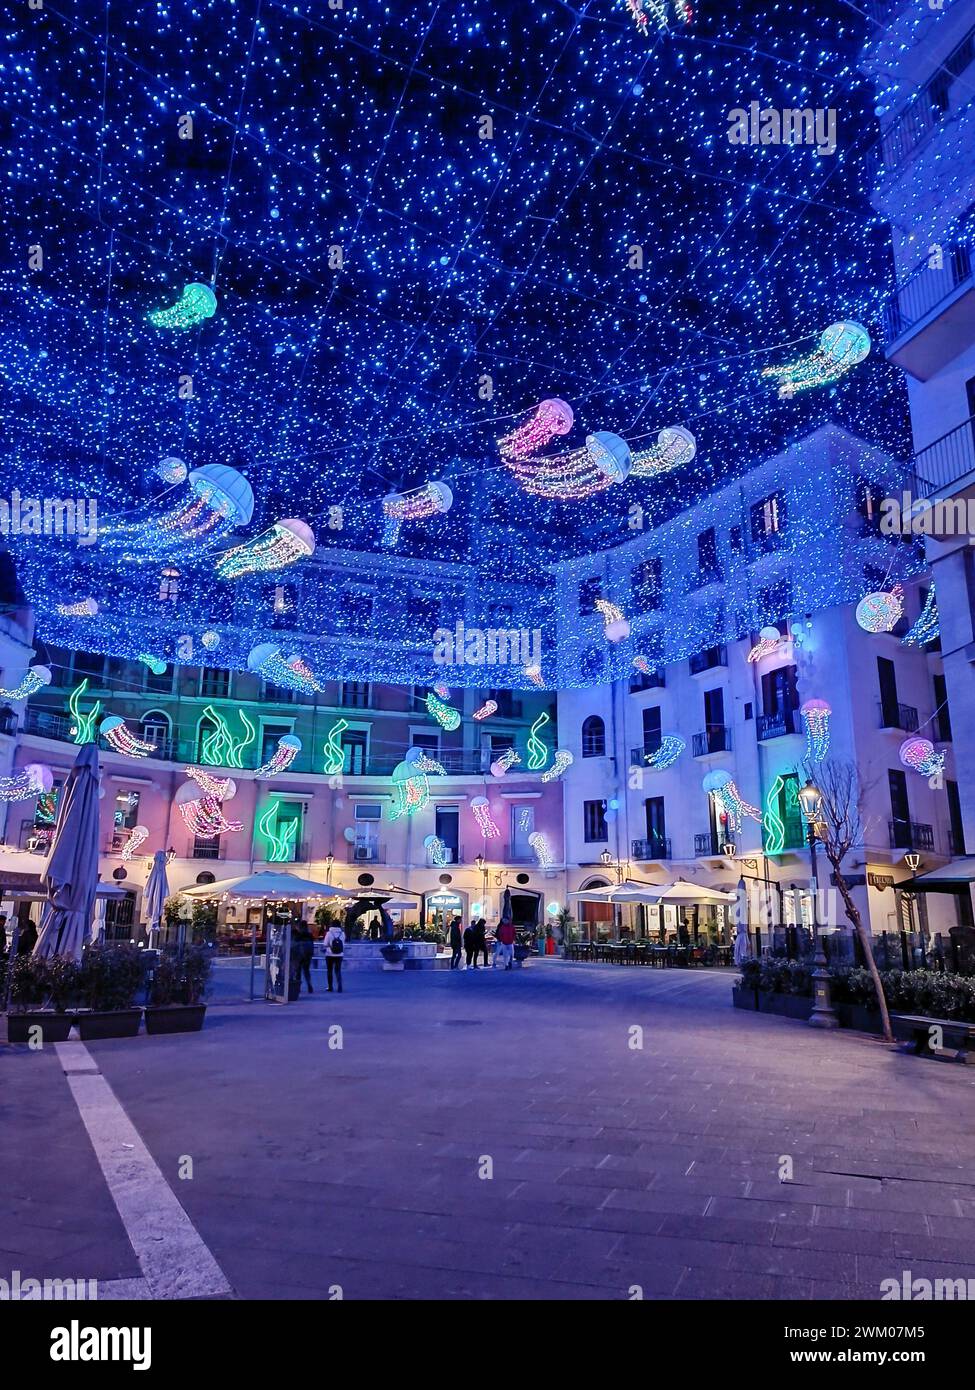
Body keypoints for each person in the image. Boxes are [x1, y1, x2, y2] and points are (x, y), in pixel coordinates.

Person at [323, 920, 345, 992]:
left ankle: (330, 987)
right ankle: (339, 986)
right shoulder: (342, 934)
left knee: (329, 971)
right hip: (339, 954)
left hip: (329, 954)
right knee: (338, 970)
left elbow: (325, 944)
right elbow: (343, 944)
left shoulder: (329, 933)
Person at [293, 922, 315, 994]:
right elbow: (312, 944)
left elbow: (294, 944)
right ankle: (309, 985)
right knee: (306, 971)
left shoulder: (298, 934)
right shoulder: (309, 935)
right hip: (307, 955)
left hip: (298, 955)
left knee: (298, 972)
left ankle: (298, 987)